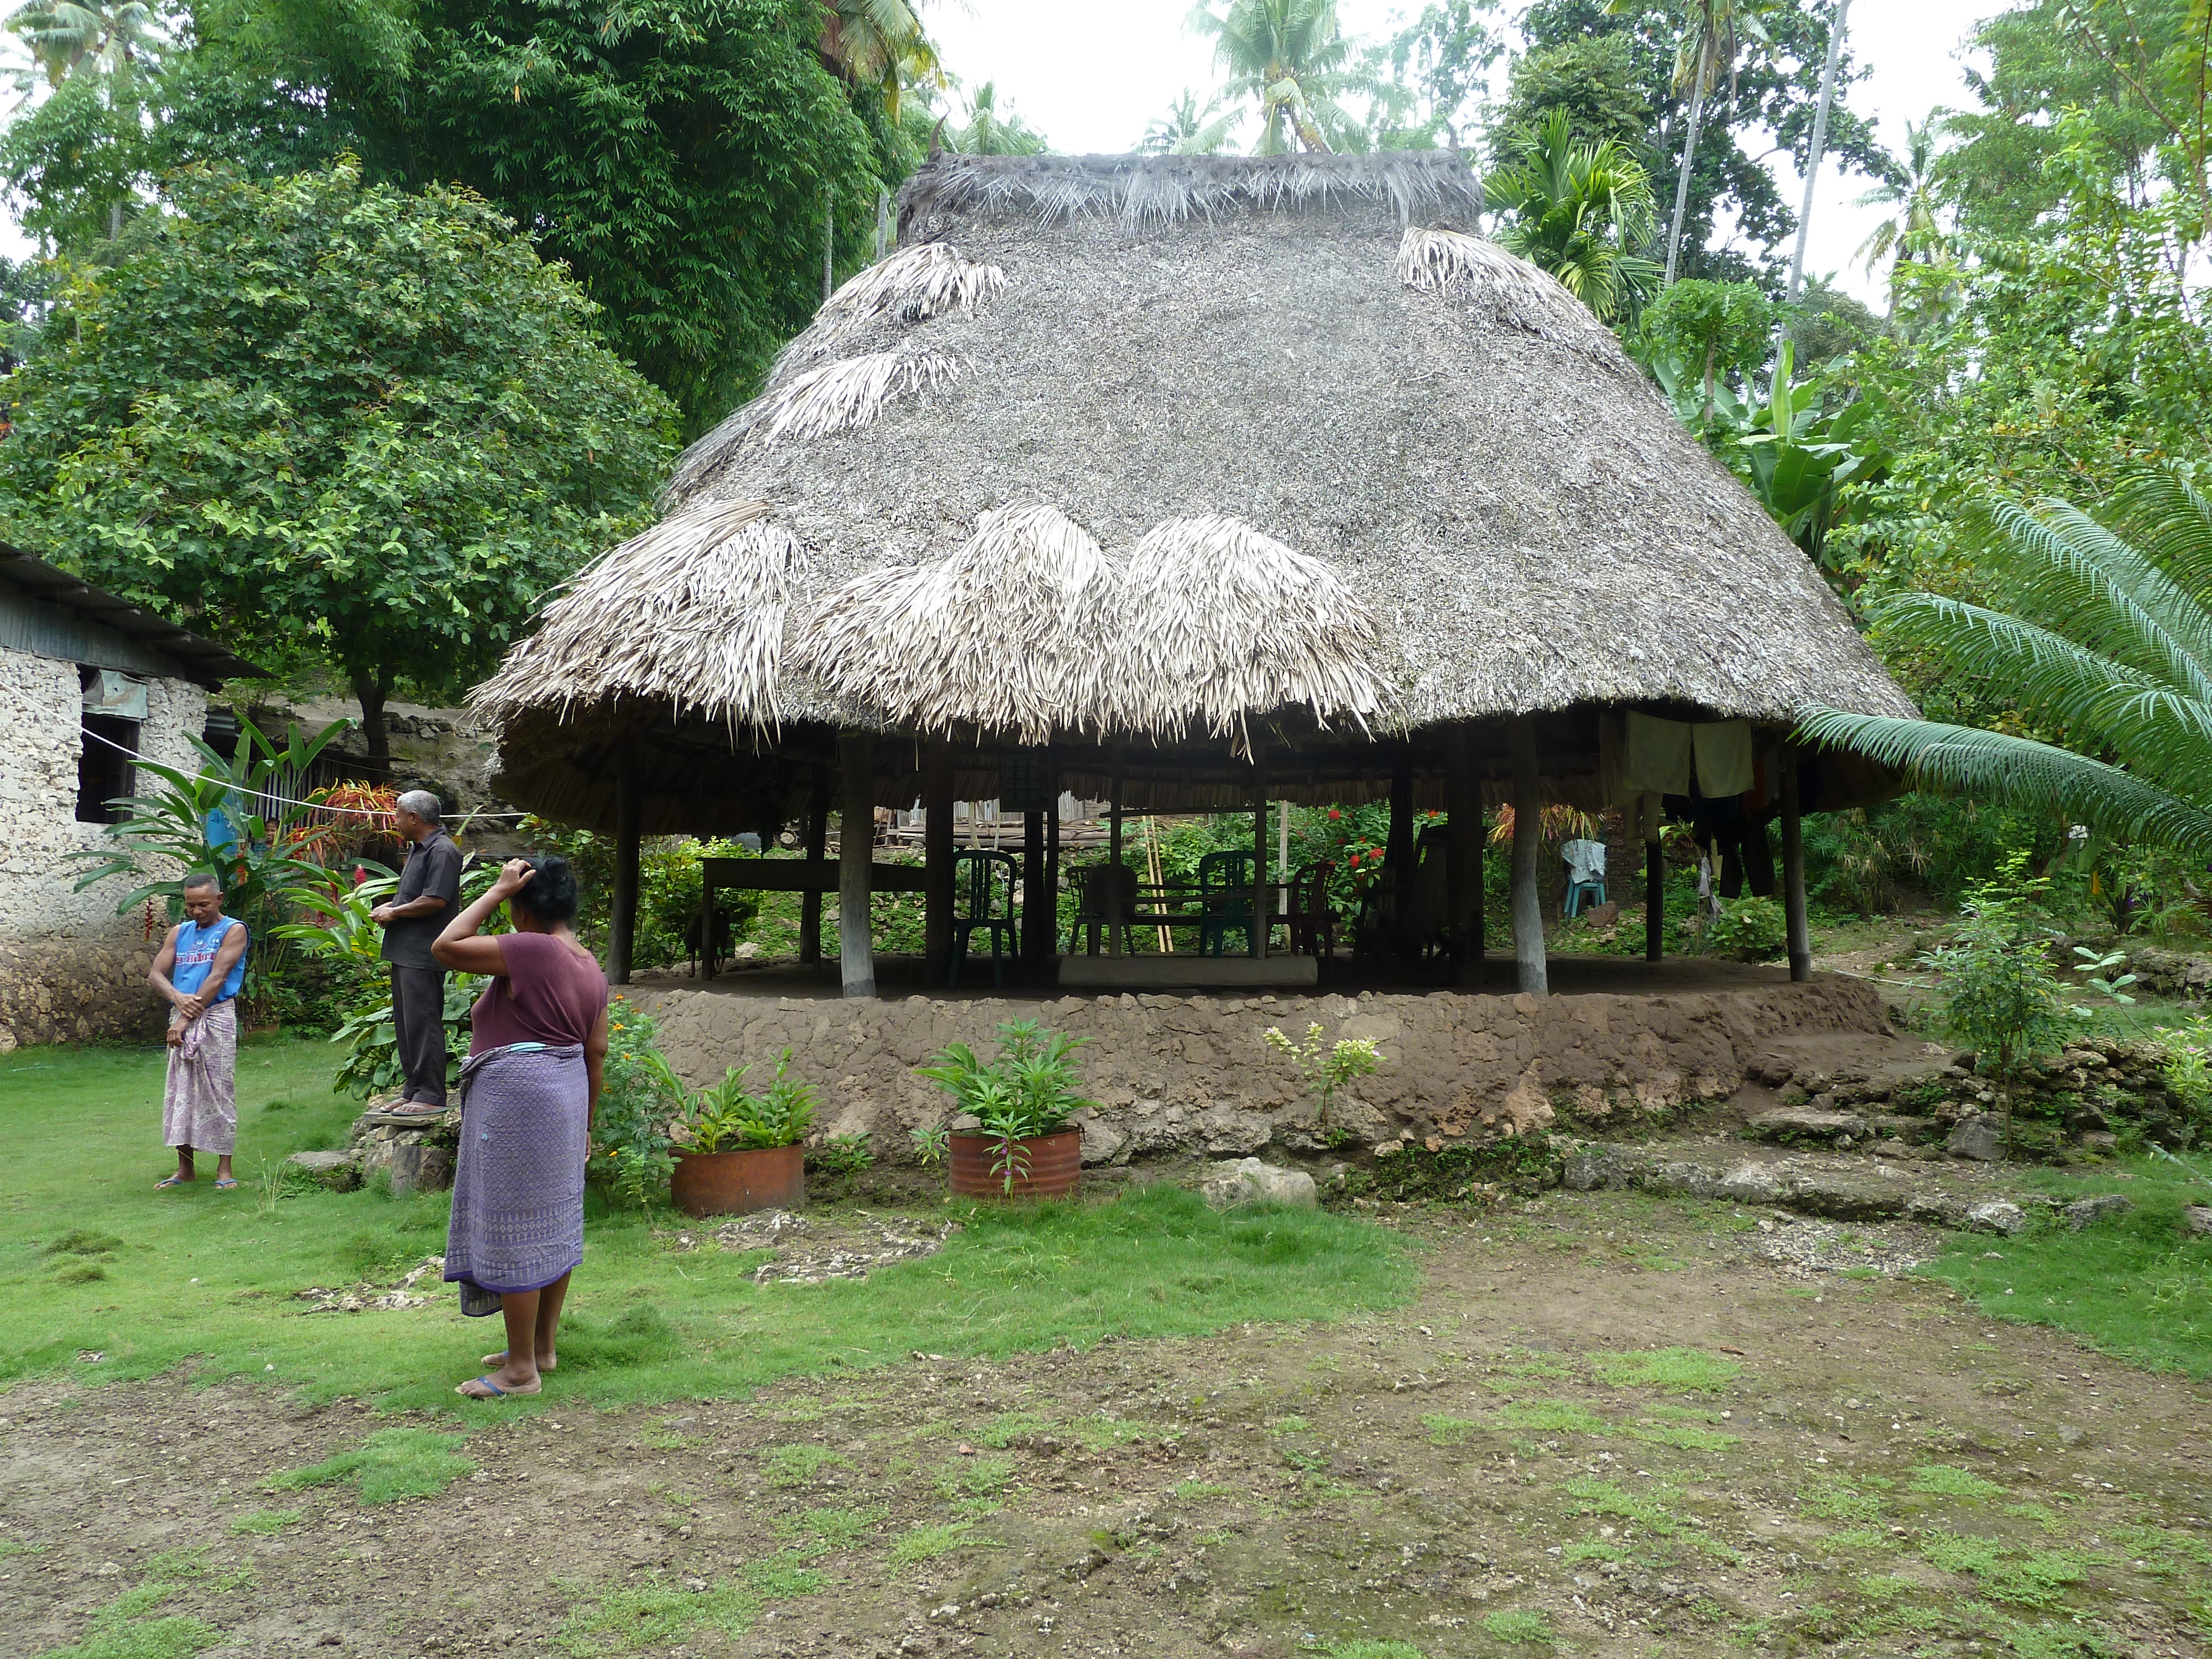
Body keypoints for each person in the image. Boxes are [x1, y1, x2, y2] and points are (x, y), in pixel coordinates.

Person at [431, 855, 608, 1400]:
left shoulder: (535, 949)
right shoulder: (588, 962)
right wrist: (585, 1124)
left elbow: (446, 947)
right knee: (553, 1221)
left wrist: (496, 890)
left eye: (512, 906)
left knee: (518, 1228)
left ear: (523, 908)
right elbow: (597, 1052)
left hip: (521, 1101)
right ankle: (540, 1349)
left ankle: (521, 1372)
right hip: (566, 1094)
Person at [149, 873, 249, 1190]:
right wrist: (177, 998)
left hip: (216, 1016)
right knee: (181, 1091)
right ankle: (185, 1169)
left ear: (219, 900)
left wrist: (184, 1019)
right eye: (190, 905)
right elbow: (156, 973)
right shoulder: (179, 933)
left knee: (219, 1089)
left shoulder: (233, 930)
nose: (196, 911)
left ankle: (224, 1170)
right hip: (180, 1015)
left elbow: (218, 976)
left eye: (203, 904)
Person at [371, 791, 464, 1117]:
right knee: (408, 1024)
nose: (395, 821)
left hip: (423, 953)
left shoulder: (442, 851)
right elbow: (417, 896)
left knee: (423, 1022)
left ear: (414, 818)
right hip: (405, 951)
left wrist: (394, 913)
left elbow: (436, 900)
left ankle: (431, 1094)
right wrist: (392, 906)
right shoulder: (419, 849)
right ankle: (413, 1089)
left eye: (398, 815)